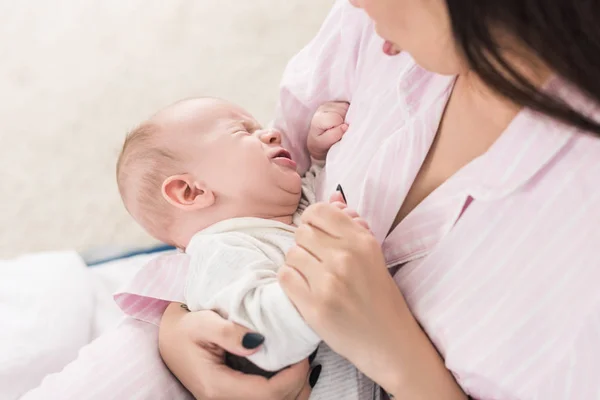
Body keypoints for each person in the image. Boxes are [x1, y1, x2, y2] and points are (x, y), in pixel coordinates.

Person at [23, 0, 600, 399]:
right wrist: (179, 329)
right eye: (244, 131)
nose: (350, 8)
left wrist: (396, 351)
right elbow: (249, 212)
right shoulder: (376, 29)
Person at [115, 96, 376, 399]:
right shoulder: (221, 254)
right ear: (191, 191)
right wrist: (325, 265)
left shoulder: (287, 208)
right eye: (243, 132)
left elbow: (324, 184)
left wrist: (320, 153)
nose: (272, 133)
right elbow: (264, 339)